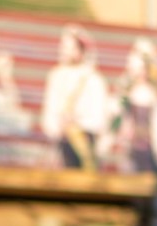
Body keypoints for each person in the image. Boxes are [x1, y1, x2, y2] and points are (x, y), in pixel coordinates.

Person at [40, 25, 109, 171]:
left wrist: (78, 122)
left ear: (80, 50)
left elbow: (99, 116)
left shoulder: (93, 79)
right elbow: (50, 110)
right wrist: (56, 128)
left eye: (69, 48)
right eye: (63, 47)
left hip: (84, 142)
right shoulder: (56, 76)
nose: (64, 51)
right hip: (62, 141)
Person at [103, 38, 157, 173]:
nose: (140, 73)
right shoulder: (126, 92)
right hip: (128, 147)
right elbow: (116, 117)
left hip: (147, 148)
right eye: (137, 68)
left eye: (143, 69)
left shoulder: (153, 94)